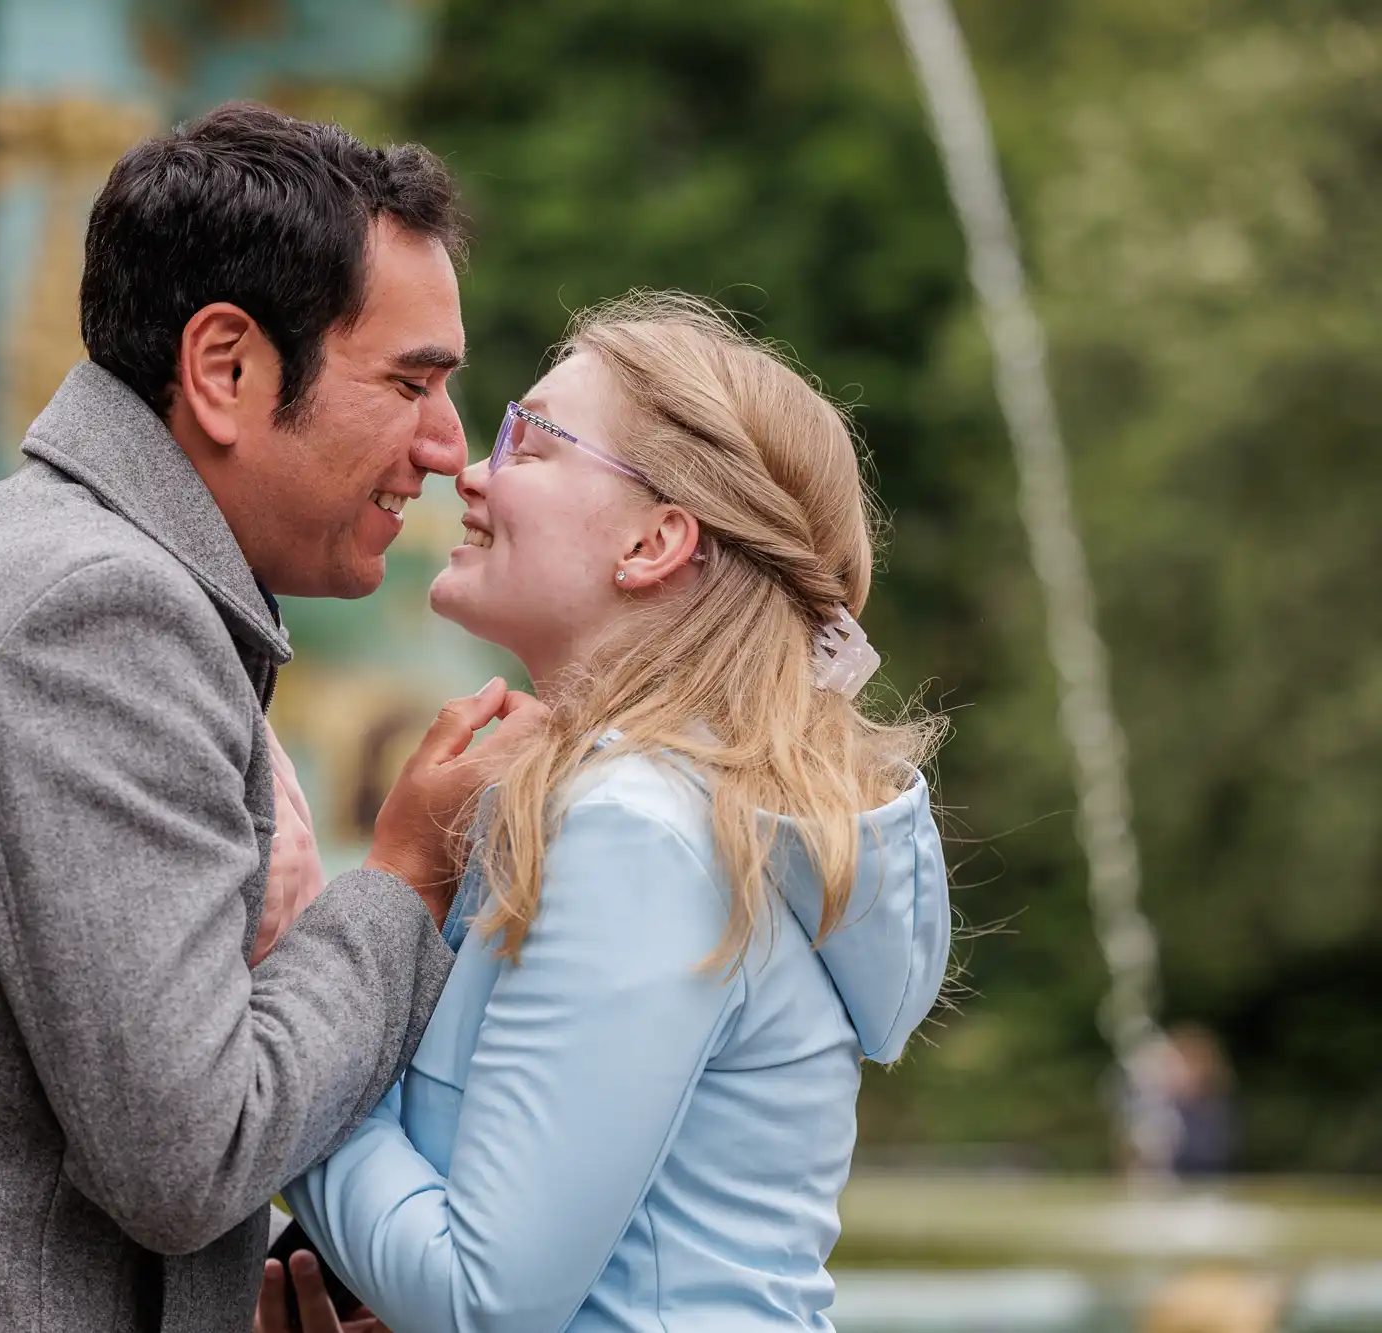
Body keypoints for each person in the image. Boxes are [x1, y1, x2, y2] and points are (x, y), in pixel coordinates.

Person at [0, 102, 540, 1333]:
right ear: (225, 367)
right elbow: (188, 1151)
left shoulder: (70, 566)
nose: (449, 448)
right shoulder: (95, 615)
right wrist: (403, 876)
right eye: (409, 383)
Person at [265, 293, 951, 1332]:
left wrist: (289, 996)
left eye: (530, 443)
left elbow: (481, 1297)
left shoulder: (639, 828)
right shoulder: (659, 807)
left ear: (655, 540)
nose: (473, 470)